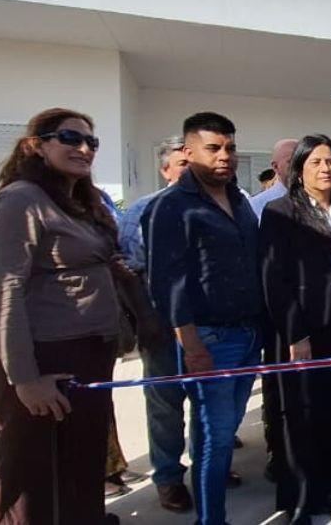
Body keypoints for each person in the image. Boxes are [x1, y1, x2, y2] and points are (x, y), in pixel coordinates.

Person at [0, 108, 120, 524]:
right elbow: (3, 291)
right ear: (36, 145)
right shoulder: (19, 200)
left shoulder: (77, 202)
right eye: (70, 138)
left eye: (91, 142)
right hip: (43, 361)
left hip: (88, 355)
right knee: (32, 482)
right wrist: (25, 379)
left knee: (81, 470)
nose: (84, 148)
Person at [145, 112, 264, 525]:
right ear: (188, 151)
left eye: (230, 148)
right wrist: (190, 344)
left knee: (225, 431)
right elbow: (167, 283)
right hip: (209, 340)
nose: (224, 156)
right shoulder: (171, 206)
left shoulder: (239, 199)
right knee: (213, 438)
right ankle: (210, 520)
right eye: (213, 148)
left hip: (250, 334)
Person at [259, 135, 331, 522]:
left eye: (330, 162)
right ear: (299, 169)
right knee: (300, 415)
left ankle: (330, 490)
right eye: (315, 162)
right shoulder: (279, 212)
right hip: (300, 327)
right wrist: (296, 334)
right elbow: (274, 279)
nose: (325, 169)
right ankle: (300, 500)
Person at [118, 136, 197, 512]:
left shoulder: (219, 205)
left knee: (207, 402)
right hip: (163, 329)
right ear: (165, 169)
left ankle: (209, 466)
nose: (190, 169)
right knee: (165, 407)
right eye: (182, 162)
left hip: (211, 328)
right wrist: (146, 321)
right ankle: (168, 477)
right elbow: (130, 272)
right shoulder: (142, 210)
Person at [249, 138, 298, 222]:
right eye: (292, 162)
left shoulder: (320, 200)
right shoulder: (257, 204)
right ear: (275, 167)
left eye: (303, 161)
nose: (299, 166)